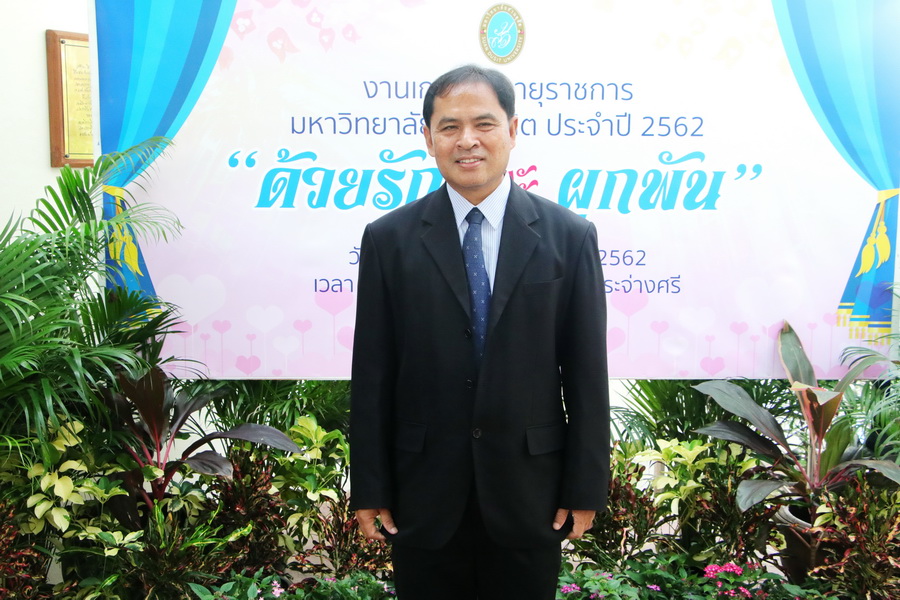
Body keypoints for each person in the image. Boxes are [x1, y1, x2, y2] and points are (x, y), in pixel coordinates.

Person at [349, 64, 610, 600]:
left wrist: (585, 488)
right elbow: (372, 373)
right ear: (429, 139)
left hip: (529, 494)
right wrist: (370, 487)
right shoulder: (389, 239)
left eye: (483, 124)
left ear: (512, 130)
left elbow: (587, 374)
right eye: (449, 127)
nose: (467, 140)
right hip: (422, 495)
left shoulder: (569, 236)